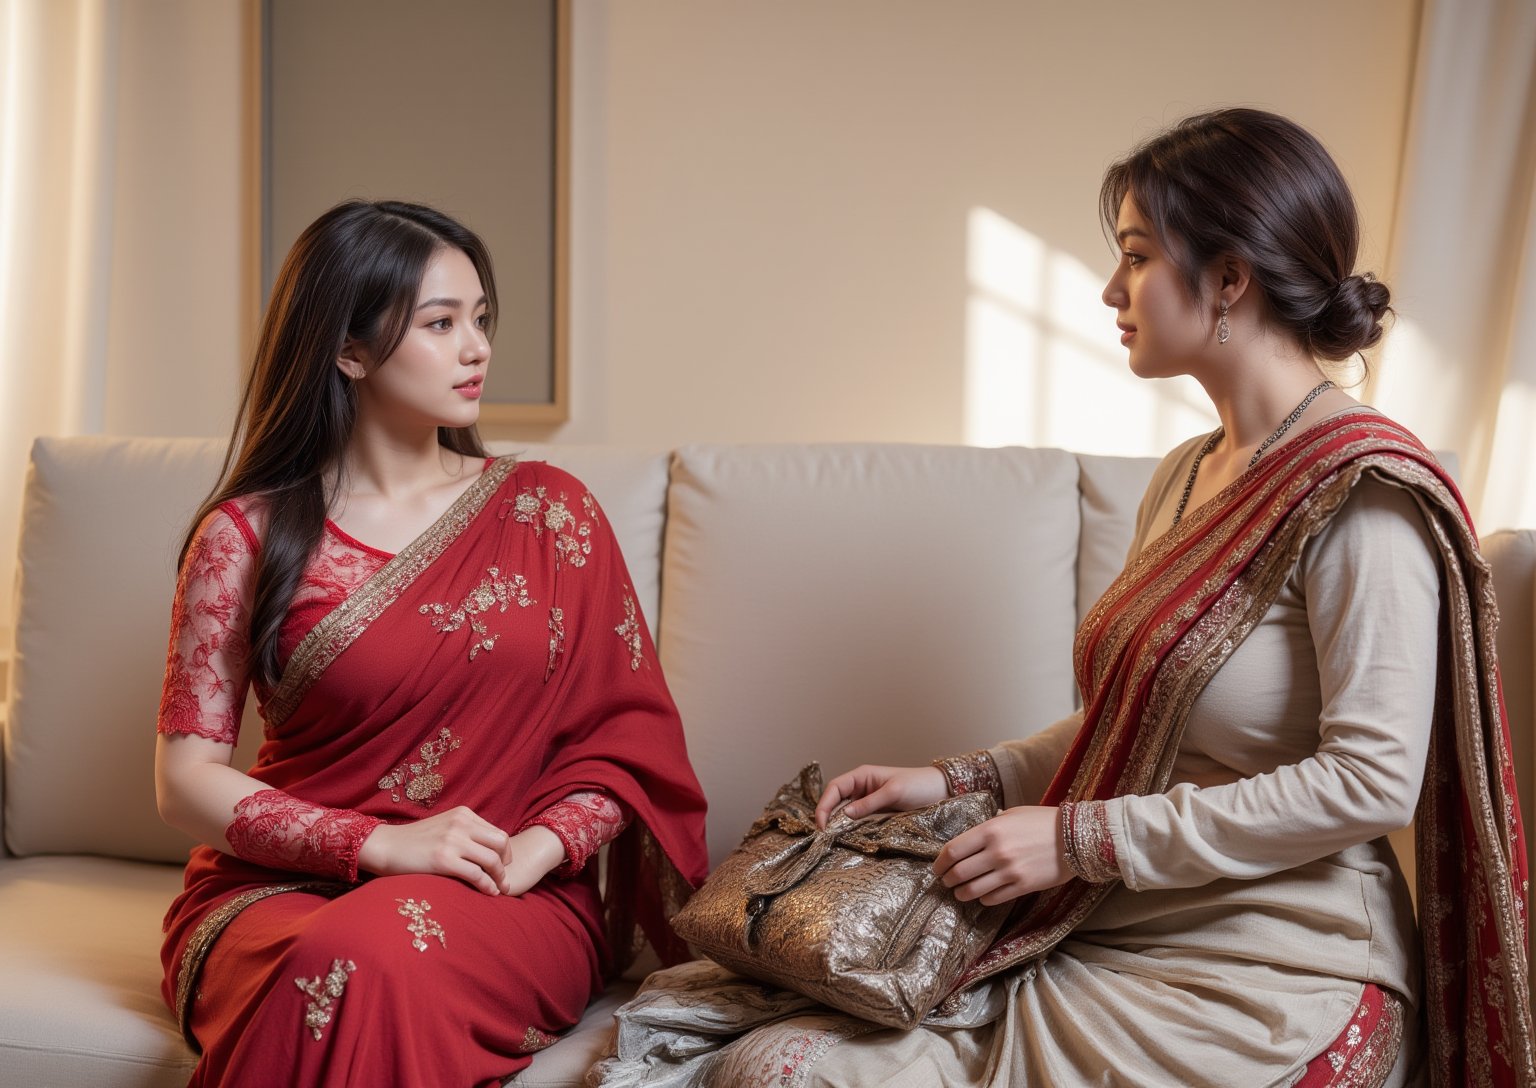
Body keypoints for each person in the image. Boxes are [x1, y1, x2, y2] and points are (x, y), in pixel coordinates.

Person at [589, 110, 1533, 1087]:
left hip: (1274, 974)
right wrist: (961, 779)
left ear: (1229, 277)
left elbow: (1372, 780)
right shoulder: (1188, 474)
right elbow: (1129, 723)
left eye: (1136, 256)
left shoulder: (1360, 494)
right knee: (765, 1060)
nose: (1110, 290)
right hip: (1115, 924)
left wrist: (1078, 837)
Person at [154, 199, 709, 1088]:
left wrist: (535, 851)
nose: (477, 347)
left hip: (508, 894)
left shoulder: (549, 511)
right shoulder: (247, 535)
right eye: (441, 323)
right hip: (279, 894)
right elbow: (184, 783)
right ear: (350, 350)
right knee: (342, 951)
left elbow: (626, 744)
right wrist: (374, 847)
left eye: (481, 319)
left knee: (372, 951)